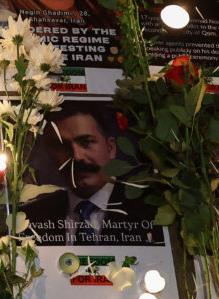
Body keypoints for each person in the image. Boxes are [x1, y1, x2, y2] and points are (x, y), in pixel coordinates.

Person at [23, 104, 161, 245]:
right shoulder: (30, 219)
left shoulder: (152, 210)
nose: (77, 157)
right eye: (62, 146)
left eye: (86, 142)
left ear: (111, 148)